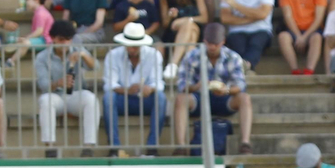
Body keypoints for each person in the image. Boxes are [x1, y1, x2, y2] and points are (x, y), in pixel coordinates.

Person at [173, 23, 253, 155]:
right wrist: (196, 86)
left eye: (216, 44)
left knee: (245, 98)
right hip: (198, 97)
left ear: (223, 42)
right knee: (181, 99)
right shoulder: (192, 56)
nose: (212, 47)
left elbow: (240, 85)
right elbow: (182, 85)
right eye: (209, 43)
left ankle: (245, 143)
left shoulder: (233, 57)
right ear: (204, 42)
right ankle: (181, 146)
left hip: (225, 98)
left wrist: (226, 90)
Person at [103, 22, 164, 150]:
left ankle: (152, 147)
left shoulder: (154, 55)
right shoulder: (113, 55)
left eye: (136, 46)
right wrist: (126, 90)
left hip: (145, 99)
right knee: (108, 97)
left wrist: (150, 88)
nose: (132, 49)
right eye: (130, 46)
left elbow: (158, 82)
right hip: (122, 99)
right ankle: (114, 147)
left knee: (161, 97)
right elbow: (109, 84)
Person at [276, 0, 327, 74]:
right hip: (294, 30)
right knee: (283, 37)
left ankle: (309, 69)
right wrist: (298, 35)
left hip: (312, 29)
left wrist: (304, 36)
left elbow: (319, 17)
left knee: (317, 38)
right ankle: (295, 69)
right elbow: (288, 16)